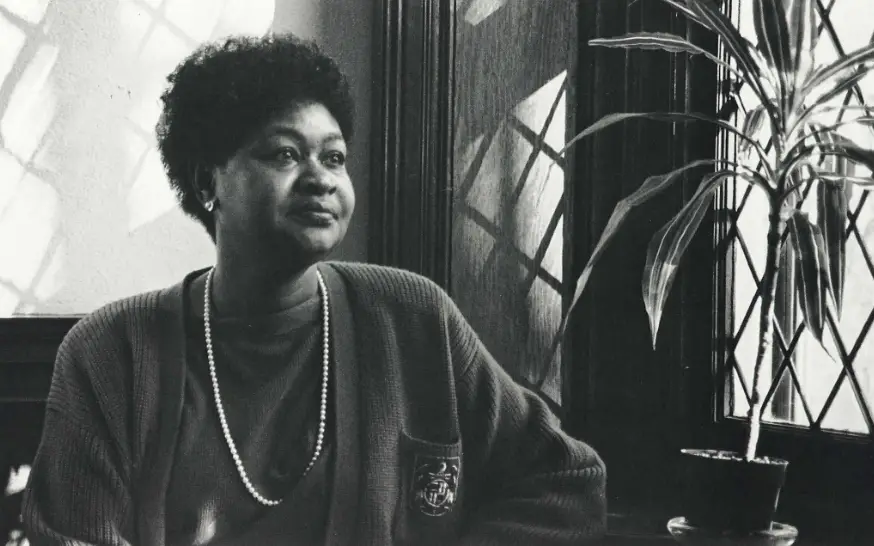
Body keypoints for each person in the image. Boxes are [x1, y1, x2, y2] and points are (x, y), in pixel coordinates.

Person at [20, 33, 607, 546]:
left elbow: (565, 482)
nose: (322, 178)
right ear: (208, 184)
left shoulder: (411, 316)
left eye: (334, 156)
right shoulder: (109, 353)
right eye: (285, 154)